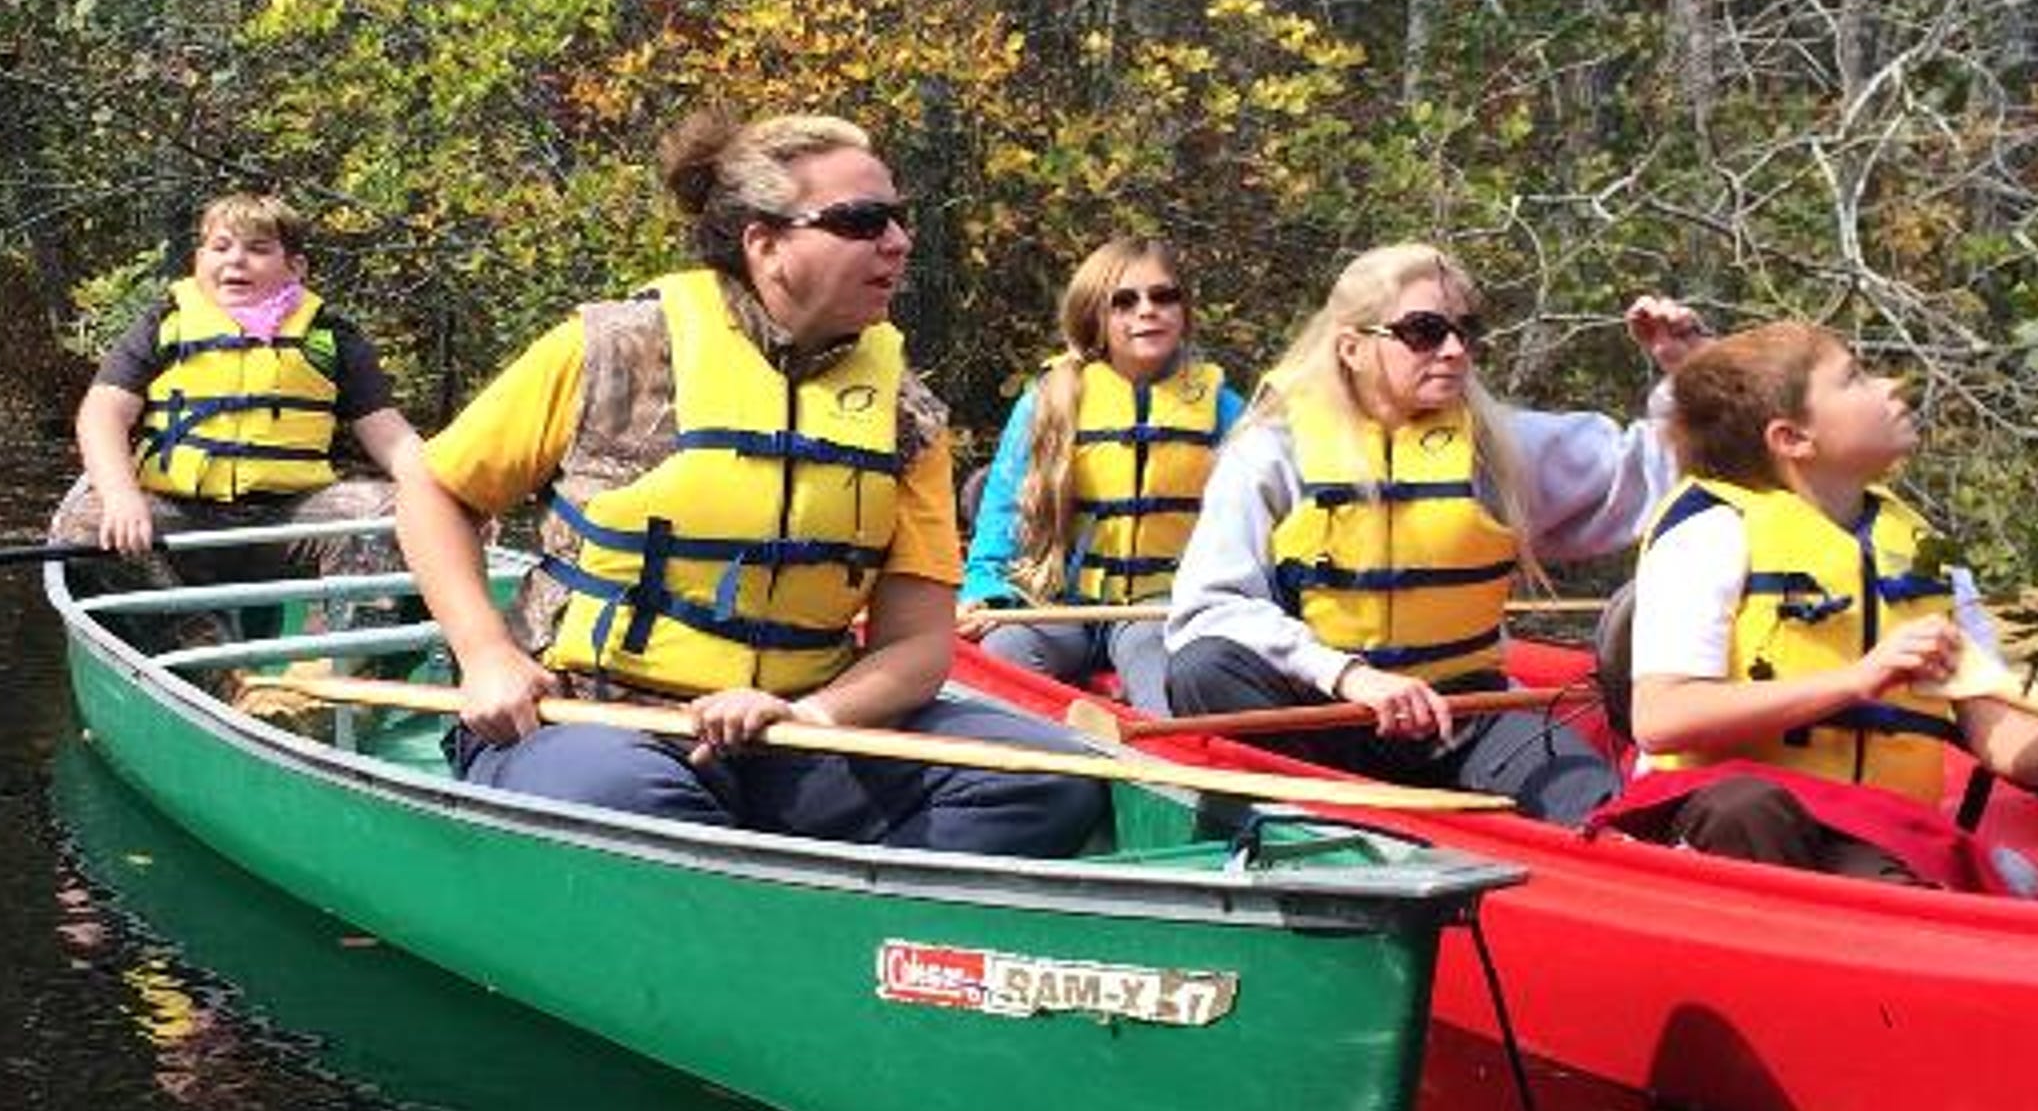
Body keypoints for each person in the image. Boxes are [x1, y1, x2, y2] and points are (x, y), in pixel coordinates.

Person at [389, 110, 1105, 857]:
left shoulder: (907, 418)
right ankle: (751, 902)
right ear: (765, 244)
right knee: (630, 800)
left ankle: (827, 925)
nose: (897, 242)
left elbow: (919, 646)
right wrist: (485, 654)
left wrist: (820, 716)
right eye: (861, 221)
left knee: (1044, 779)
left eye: (899, 218)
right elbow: (432, 491)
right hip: (592, 720)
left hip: (788, 736)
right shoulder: (611, 349)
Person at [1163, 243, 1707, 823]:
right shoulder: (1271, 454)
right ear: (1352, 347)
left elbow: (1657, 467)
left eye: (1464, 330)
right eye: (1423, 331)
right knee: (1205, 665)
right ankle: (1307, 822)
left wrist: (1694, 372)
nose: (1453, 349)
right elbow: (1208, 608)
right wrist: (1349, 676)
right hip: (1319, 717)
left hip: (1462, 719)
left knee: (1597, 806)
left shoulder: (1500, 449)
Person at [1619, 320, 2038, 884]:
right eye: (1854, 379)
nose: (1892, 385)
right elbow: (1662, 718)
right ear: (1792, 439)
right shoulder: (1711, 531)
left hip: (1869, 824)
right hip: (1711, 816)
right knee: (1749, 808)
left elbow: (1998, 734)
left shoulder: (1926, 552)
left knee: (1896, 877)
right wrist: (1858, 680)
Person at [55, 192, 429, 596]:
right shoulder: (163, 327)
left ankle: (334, 654)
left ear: (294, 267)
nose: (235, 260)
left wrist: (451, 496)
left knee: (395, 511)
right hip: (180, 514)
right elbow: (102, 414)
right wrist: (120, 494)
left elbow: (391, 436)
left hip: (290, 518)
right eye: (220, 247)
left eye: (258, 249)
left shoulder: (331, 339)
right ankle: (199, 642)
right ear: (199, 262)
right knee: (86, 523)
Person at [958, 236, 1244, 715]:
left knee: (1161, 676)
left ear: (1185, 310)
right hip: (1061, 605)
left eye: (1164, 296)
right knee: (1006, 653)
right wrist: (986, 594)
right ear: (1095, 314)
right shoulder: (1048, 402)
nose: (1147, 310)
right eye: (1124, 301)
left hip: (1159, 609)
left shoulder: (1222, 409)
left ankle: (1159, 773)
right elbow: (1002, 514)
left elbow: (1258, 523)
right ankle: (1041, 769)